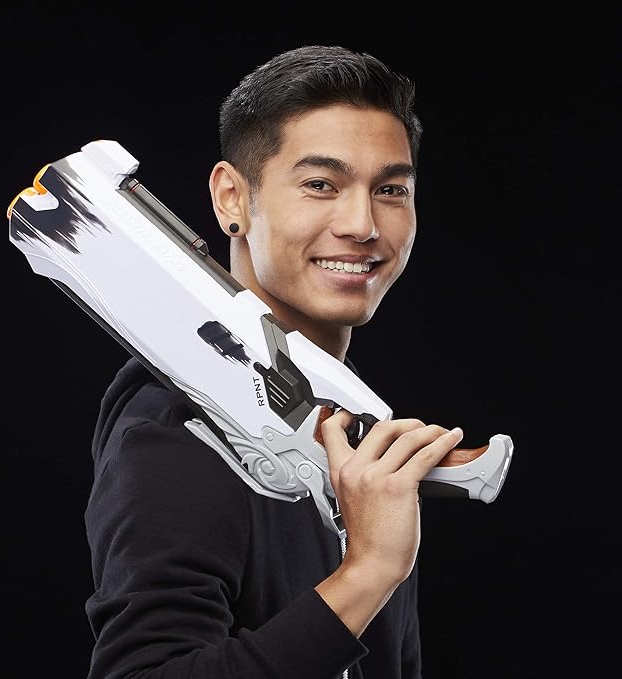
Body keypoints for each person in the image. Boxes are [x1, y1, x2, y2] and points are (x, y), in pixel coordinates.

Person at [84, 44, 464, 679]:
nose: (363, 224)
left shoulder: (349, 427)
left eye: (391, 190)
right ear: (232, 199)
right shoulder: (179, 428)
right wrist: (368, 572)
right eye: (320, 185)